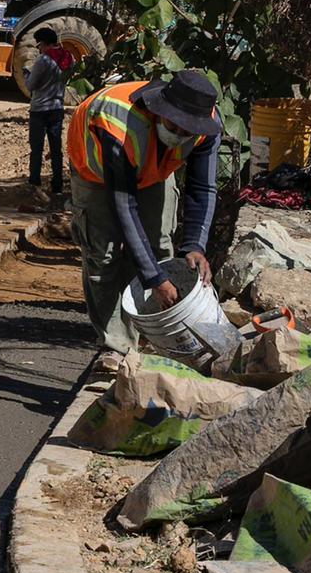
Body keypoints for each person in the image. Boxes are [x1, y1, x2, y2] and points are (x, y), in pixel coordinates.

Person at [66, 70, 222, 371]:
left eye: (185, 130)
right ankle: (116, 349)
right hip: (96, 173)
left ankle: (154, 339)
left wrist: (194, 245)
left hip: (155, 170)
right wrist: (154, 279)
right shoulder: (116, 122)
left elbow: (203, 188)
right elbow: (123, 204)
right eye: (173, 125)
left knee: (160, 246)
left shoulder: (207, 124)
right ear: (158, 110)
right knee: (105, 256)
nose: (178, 133)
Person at [23, 27, 73, 204]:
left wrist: (26, 75)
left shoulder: (43, 60)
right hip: (57, 107)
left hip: (39, 109)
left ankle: (34, 182)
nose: (39, 49)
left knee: (36, 148)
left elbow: (31, 85)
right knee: (56, 149)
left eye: (39, 45)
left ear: (44, 44)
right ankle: (57, 184)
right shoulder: (68, 58)